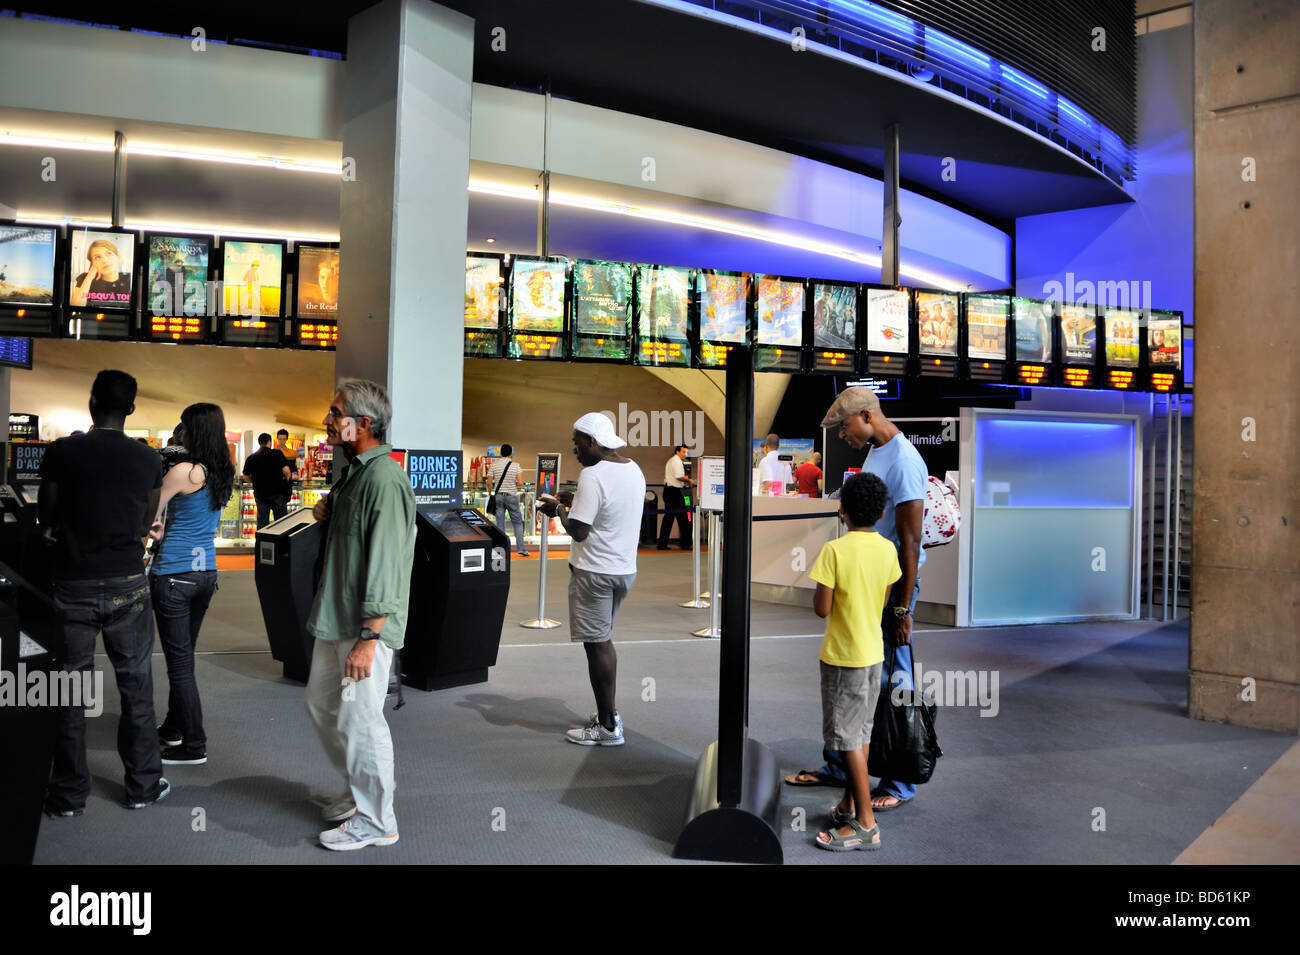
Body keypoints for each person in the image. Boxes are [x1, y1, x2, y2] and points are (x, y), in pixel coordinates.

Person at [38, 369, 168, 814]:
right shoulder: (149, 460)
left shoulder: (63, 452)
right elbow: (144, 522)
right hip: (127, 584)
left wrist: (59, 528)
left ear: (92, 401)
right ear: (130, 409)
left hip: (71, 582)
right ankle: (143, 787)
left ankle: (70, 795)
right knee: (136, 688)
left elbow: (46, 515)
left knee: (68, 690)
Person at [794, 387, 926, 812]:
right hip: (869, 582)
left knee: (893, 681)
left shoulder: (905, 461)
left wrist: (902, 610)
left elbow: (909, 542)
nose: (842, 435)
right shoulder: (877, 452)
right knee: (858, 678)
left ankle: (900, 781)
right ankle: (840, 766)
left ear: (868, 416)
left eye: (845, 426)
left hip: (891, 585)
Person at [306, 379, 416, 850]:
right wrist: (331, 512)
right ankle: (359, 793)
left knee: (360, 719)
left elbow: (388, 562)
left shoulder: (384, 479)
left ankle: (377, 820)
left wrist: (370, 637)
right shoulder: (355, 474)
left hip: (361, 629)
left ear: (363, 424)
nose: (328, 421)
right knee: (323, 705)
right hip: (338, 617)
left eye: (336, 413)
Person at [537, 412, 645, 746]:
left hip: (594, 574)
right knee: (602, 639)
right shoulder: (633, 469)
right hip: (623, 571)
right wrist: (574, 503)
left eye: (577, 443)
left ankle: (609, 726)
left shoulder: (593, 475)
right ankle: (607, 715)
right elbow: (610, 512)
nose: (575, 450)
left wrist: (557, 510)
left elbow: (579, 532)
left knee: (598, 645)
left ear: (593, 441)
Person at [808, 472, 900, 850]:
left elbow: (821, 608)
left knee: (846, 739)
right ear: (880, 512)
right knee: (860, 734)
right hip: (872, 654)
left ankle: (865, 824)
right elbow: (881, 601)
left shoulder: (835, 551)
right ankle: (849, 804)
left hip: (843, 657)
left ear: (842, 511)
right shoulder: (888, 550)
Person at [147, 403, 235, 766]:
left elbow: (148, 514)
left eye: (183, 425)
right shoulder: (221, 471)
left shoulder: (183, 471)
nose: (179, 431)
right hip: (205, 575)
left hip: (174, 574)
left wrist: (153, 528)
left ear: (192, 430)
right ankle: (172, 727)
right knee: (183, 656)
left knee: (179, 664)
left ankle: (194, 744)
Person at [241, 432, 293, 528]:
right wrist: (286, 484)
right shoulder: (277, 453)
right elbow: (287, 472)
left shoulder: (252, 458)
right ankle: (280, 542)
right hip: (277, 494)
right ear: (270, 442)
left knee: (262, 523)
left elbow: (245, 476)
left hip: (261, 495)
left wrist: (254, 482)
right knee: (281, 523)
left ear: (259, 442)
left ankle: (262, 542)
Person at [488, 445, 529, 557]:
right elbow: (520, 483)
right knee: (517, 523)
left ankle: (501, 549)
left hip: (499, 496)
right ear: (511, 453)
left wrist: (489, 493)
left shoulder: (494, 465)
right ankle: (521, 549)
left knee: (500, 523)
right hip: (511, 496)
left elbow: (489, 482)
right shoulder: (516, 466)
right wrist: (511, 483)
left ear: (500, 453)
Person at [70, 238, 131, 308]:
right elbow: (76, 306)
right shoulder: (85, 278)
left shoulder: (129, 278)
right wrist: (90, 277)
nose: (104, 260)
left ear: (118, 257)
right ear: (92, 264)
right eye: (97, 257)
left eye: (109, 254)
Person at [657, 444, 694, 549]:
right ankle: (685, 544)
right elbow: (679, 477)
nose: (685, 454)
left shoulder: (671, 461)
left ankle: (662, 544)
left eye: (686, 452)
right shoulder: (676, 461)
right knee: (683, 517)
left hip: (669, 490)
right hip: (675, 491)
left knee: (669, 518)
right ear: (677, 452)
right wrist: (689, 480)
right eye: (683, 452)